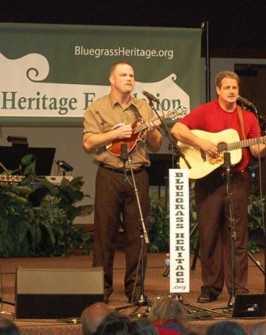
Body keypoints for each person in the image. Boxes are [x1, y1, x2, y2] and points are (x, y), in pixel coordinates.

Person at [171, 71, 266, 305]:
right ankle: (210, 286)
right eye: (227, 87)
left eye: (235, 88)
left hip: (237, 179)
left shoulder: (247, 117)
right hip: (208, 179)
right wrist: (203, 144)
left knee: (237, 235)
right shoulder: (205, 111)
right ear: (218, 89)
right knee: (208, 234)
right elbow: (177, 130)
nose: (231, 92)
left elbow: (256, 151)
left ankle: (239, 288)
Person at [82, 61, 162, 304]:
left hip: (137, 174)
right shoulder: (98, 108)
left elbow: (155, 145)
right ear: (112, 80)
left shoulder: (143, 107)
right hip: (109, 174)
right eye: (123, 75)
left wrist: (151, 130)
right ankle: (101, 292)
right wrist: (115, 134)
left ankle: (136, 291)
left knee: (137, 235)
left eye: (132, 75)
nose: (129, 78)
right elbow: (88, 144)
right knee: (104, 235)